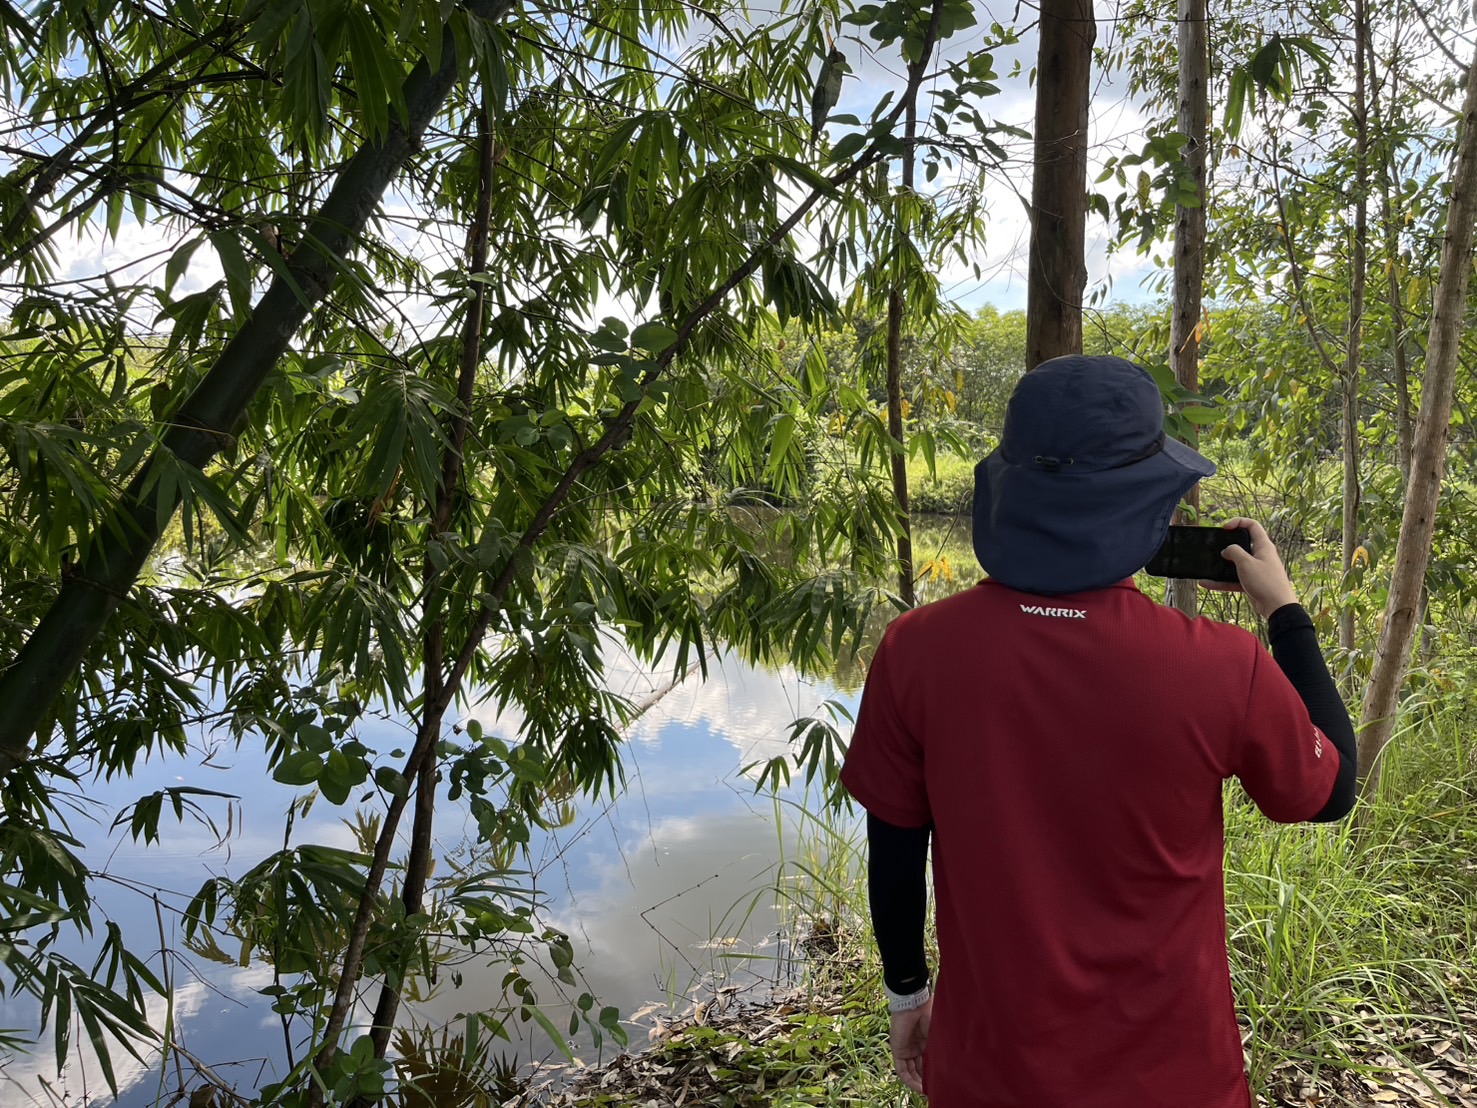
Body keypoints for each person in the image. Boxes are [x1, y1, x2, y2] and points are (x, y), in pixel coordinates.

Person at [839, 354, 1357, 1108]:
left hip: (989, 1073)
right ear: (1146, 503)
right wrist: (1284, 612)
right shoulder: (1221, 666)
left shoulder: (914, 650)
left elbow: (894, 846)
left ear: (1011, 493)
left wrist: (906, 993)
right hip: (1176, 1082)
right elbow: (1330, 791)